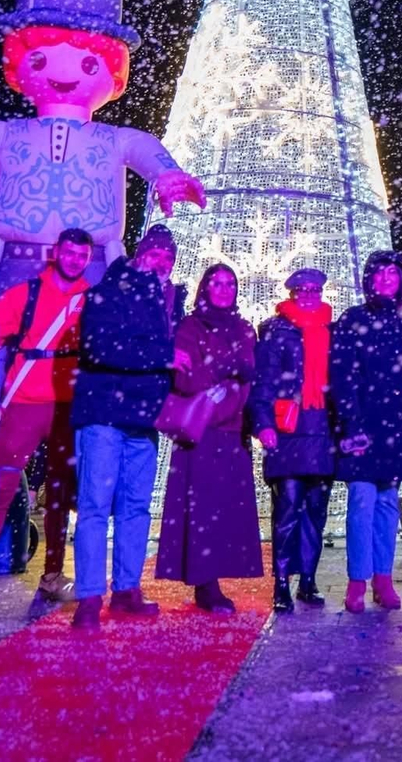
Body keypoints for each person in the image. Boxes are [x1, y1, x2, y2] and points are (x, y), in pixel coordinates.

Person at [0, 227, 93, 616]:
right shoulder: (25, 293)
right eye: (70, 253)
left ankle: (53, 577)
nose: (76, 260)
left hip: (67, 408)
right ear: (57, 252)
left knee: (59, 496)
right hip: (24, 403)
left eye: (83, 255)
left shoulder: (91, 300)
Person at [69, 224, 189, 630]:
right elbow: (99, 347)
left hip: (145, 419)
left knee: (136, 507)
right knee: (95, 507)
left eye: (169, 256)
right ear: (141, 253)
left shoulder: (169, 299)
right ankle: (88, 596)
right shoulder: (109, 289)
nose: (163, 261)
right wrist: (163, 355)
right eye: (156, 253)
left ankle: (126, 589)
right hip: (104, 412)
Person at [155, 264, 262, 616]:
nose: (224, 288)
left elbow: (247, 380)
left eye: (230, 283)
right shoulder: (190, 326)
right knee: (202, 511)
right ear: (205, 287)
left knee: (226, 511)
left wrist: (222, 375)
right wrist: (228, 368)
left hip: (234, 432)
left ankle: (216, 576)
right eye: (217, 282)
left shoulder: (244, 327)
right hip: (201, 433)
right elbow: (187, 380)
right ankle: (206, 583)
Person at [329, 251, 402, 613]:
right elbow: (342, 375)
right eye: (379, 273)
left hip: (397, 427)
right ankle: (357, 580)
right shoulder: (353, 319)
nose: (386, 279)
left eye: (391, 274)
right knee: (362, 501)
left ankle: (383, 578)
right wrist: (352, 422)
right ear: (369, 279)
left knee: (386, 502)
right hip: (364, 426)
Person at [251, 268, 336, 614]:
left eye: (315, 289)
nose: (310, 294)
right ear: (292, 292)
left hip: (322, 430)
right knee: (286, 509)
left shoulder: (332, 329)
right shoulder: (276, 330)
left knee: (315, 510)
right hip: (288, 432)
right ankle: (282, 582)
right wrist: (263, 424)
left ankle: (308, 580)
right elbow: (263, 382)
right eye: (303, 289)